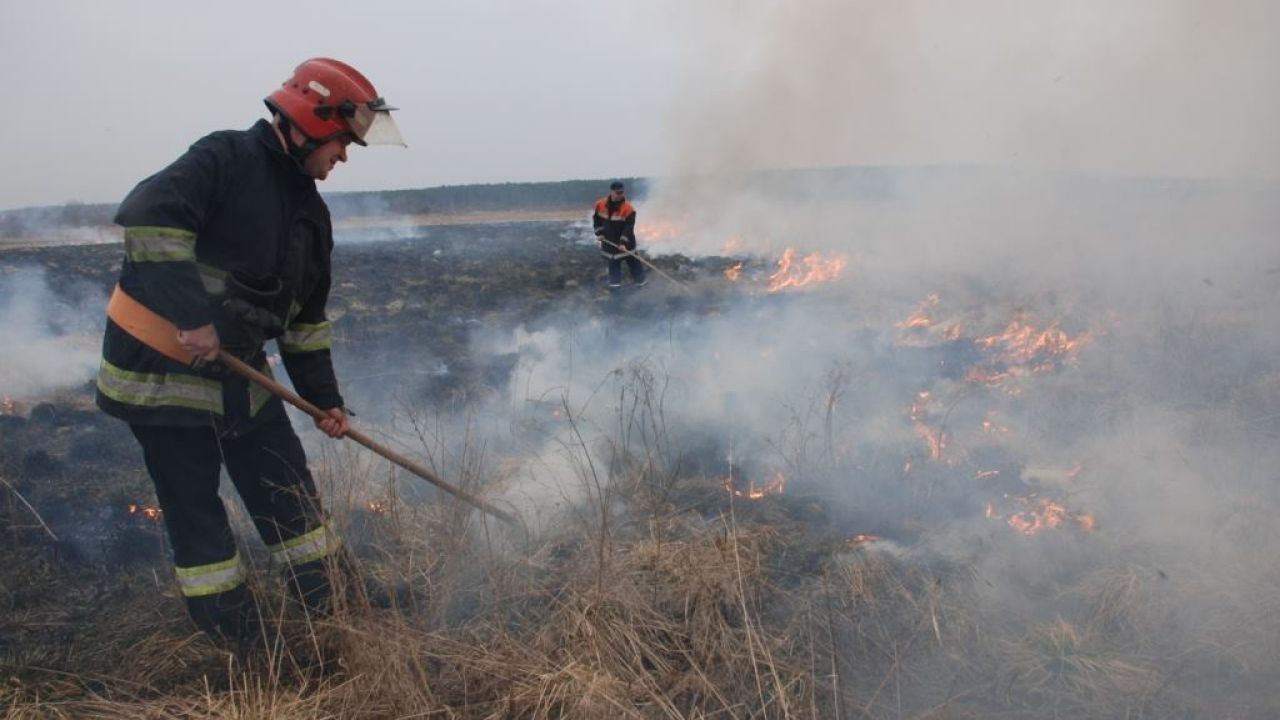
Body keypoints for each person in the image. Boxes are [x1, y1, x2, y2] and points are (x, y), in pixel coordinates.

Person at [95, 58, 405, 650]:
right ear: (311, 122)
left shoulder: (311, 217)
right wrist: (192, 316)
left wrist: (325, 402)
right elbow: (148, 219)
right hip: (163, 374)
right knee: (197, 512)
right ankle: (243, 638)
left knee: (287, 485)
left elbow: (305, 324)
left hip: (238, 372)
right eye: (342, 143)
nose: (343, 158)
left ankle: (335, 601)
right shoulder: (225, 160)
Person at [593, 180, 646, 288]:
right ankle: (615, 290)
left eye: (622, 192)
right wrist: (599, 233)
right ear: (611, 192)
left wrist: (623, 242)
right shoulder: (600, 204)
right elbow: (597, 220)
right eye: (618, 193)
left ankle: (641, 285)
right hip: (609, 243)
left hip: (627, 244)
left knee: (634, 264)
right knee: (613, 265)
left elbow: (628, 228)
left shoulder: (628, 209)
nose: (620, 195)